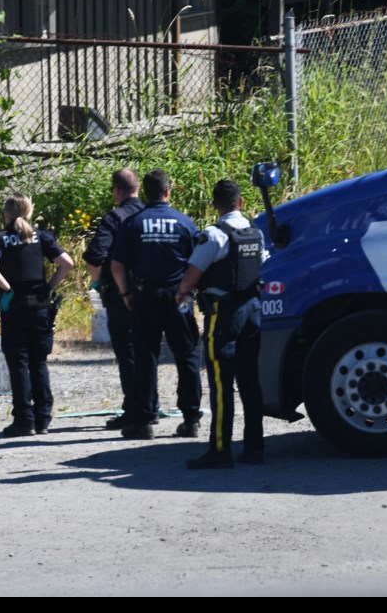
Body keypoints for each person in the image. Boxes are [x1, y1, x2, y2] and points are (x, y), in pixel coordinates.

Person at [175, 179, 265, 469]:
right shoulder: (256, 234)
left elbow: (191, 276)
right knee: (250, 382)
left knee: (220, 384)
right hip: (253, 311)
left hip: (224, 315)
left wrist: (182, 295)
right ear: (240, 203)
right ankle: (254, 448)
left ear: (214, 205)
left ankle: (220, 450)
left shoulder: (213, 235)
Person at [110, 170, 202, 440]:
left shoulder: (134, 223)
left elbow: (117, 265)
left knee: (145, 356)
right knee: (186, 355)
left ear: (146, 193)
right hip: (179, 295)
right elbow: (199, 262)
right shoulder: (184, 222)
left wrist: (126, 292)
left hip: (145, 295)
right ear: (167, 192)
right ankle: (191, 418)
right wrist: (189, 290)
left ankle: (143, 420)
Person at [0, 193, 74, 437]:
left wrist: (8, 290)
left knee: (19, 364)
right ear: (29, 212)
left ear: (6, 214)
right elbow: (67, 263)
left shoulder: (0, 238)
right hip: (41, 307)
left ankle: (24, 420)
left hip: (15, 308)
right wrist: (49, 287)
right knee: (39, 362)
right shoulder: (42, 236)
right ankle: (43, 418)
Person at [82, 169, 145, 430]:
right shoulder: (151, 213)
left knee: (128, 353)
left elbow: (95, 256)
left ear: (116, 190)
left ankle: (134, 410)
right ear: (138, 189)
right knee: (148, 352)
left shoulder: (115, 217)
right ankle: (149, 407)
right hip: (155, 292)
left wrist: (97, 282)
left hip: (122, 294)